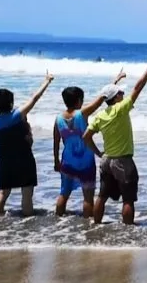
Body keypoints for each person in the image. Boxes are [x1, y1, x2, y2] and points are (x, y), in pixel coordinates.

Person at [84, 54, 147, 225]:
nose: (123, 94)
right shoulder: (121, 109)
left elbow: (86, 137)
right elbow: (138, 87)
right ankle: (127, 231)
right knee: (128, 200)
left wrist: (98, 153)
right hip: (122, 161)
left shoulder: (100, 116)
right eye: (121, 93)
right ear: (116, 98)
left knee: (102, 196)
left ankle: (96, 226)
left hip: (106, 161)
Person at [52, 71, 125, 217]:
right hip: (85, 162)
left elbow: (56, 141)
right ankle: (87, 226)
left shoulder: (58, 119)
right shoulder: (82, 114)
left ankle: (58, 221)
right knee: (87, 197)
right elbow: (102, 98)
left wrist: (56, 161)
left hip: (67, 161)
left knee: (64, 194)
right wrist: (115, 81)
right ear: (79, 100)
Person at [0, 72, 55, 216]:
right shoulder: (16, 116)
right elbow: (34, 98)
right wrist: (47, 81)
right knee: (26, 192)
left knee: (3, 192)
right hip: (24, 160)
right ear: (11, 103)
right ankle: (28, 221)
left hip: (5, 161)